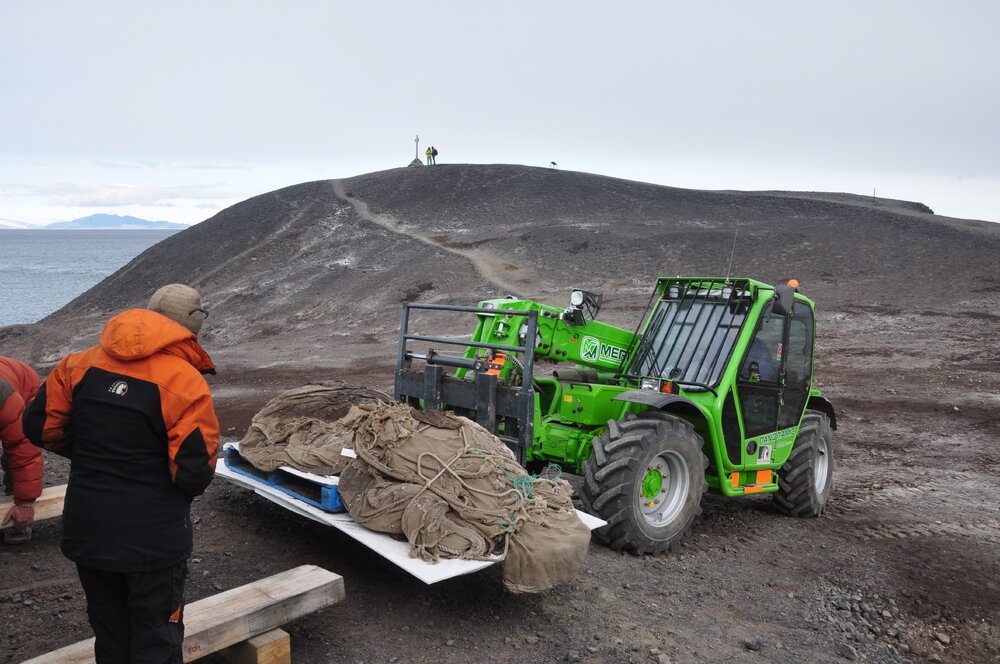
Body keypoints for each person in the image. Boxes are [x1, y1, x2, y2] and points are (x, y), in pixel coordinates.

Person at [24, 284, 219, 664]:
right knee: (156, 637)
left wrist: (89, 454)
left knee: (110, 629)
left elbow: (40, 428)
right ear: (192, 323)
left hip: (88, 525)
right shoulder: (184, 381)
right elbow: (194, 471)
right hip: (153, 537)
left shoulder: (76, 364)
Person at [0, 355, 44, 544]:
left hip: (24, 384)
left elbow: (23, 449)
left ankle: (18, 513)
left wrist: (25, 503)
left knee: (15, 450)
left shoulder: (4, 398)